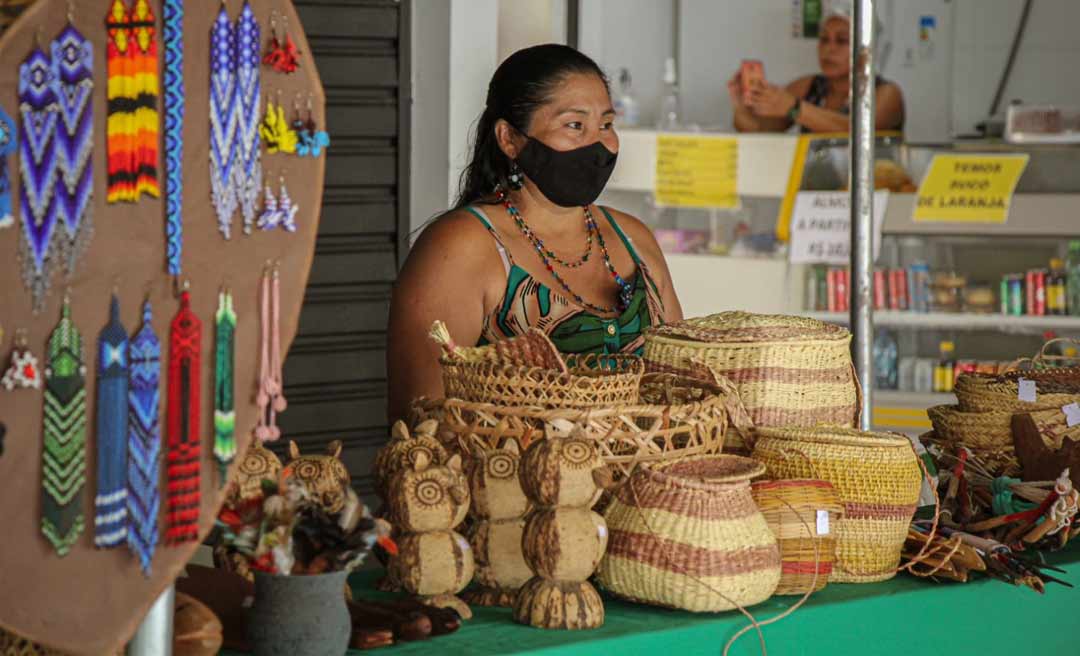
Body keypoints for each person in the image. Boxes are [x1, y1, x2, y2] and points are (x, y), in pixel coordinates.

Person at [386, 44, 684, 422]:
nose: (599, 144)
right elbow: (419, 420)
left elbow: (682, 381)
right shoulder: (462, 247)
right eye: (574, 126)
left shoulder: (633, 239)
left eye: (606, 125)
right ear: (510, 139)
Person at [729, 5, 904, 134]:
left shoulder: (886, 93)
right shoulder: (808, 86)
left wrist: (794, 108)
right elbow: (758, 130)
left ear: (866, 50)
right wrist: (740, 106)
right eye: (824, 39)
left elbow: (856, 132)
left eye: (842, 41)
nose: (829, 49)